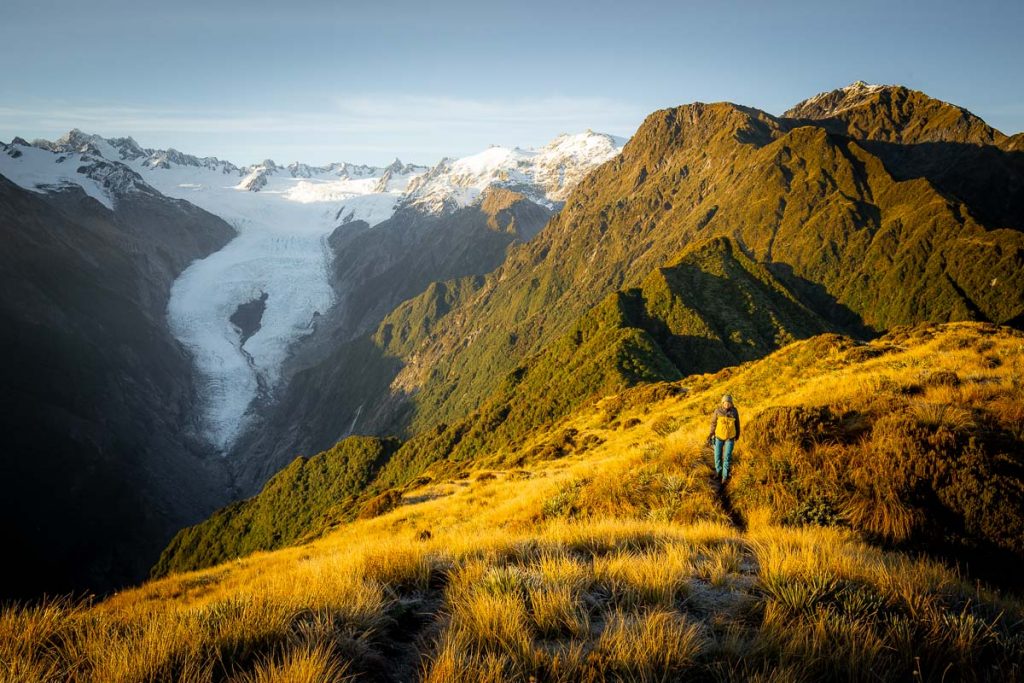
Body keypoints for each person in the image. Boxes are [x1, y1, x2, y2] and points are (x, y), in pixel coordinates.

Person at [708, 394, 740, 483]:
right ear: (722, 403)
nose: (727, 404)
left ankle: (725, 476)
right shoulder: (718, 411)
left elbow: (737, 423)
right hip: (718, 437)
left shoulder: (734, 411)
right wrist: (711, 434)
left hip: (730, 438)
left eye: (729, 403)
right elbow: (713, 423)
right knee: (717, 456)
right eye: (725, 402)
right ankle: (718, 472)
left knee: (727, 457)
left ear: (731, 403)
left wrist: (737, 434)